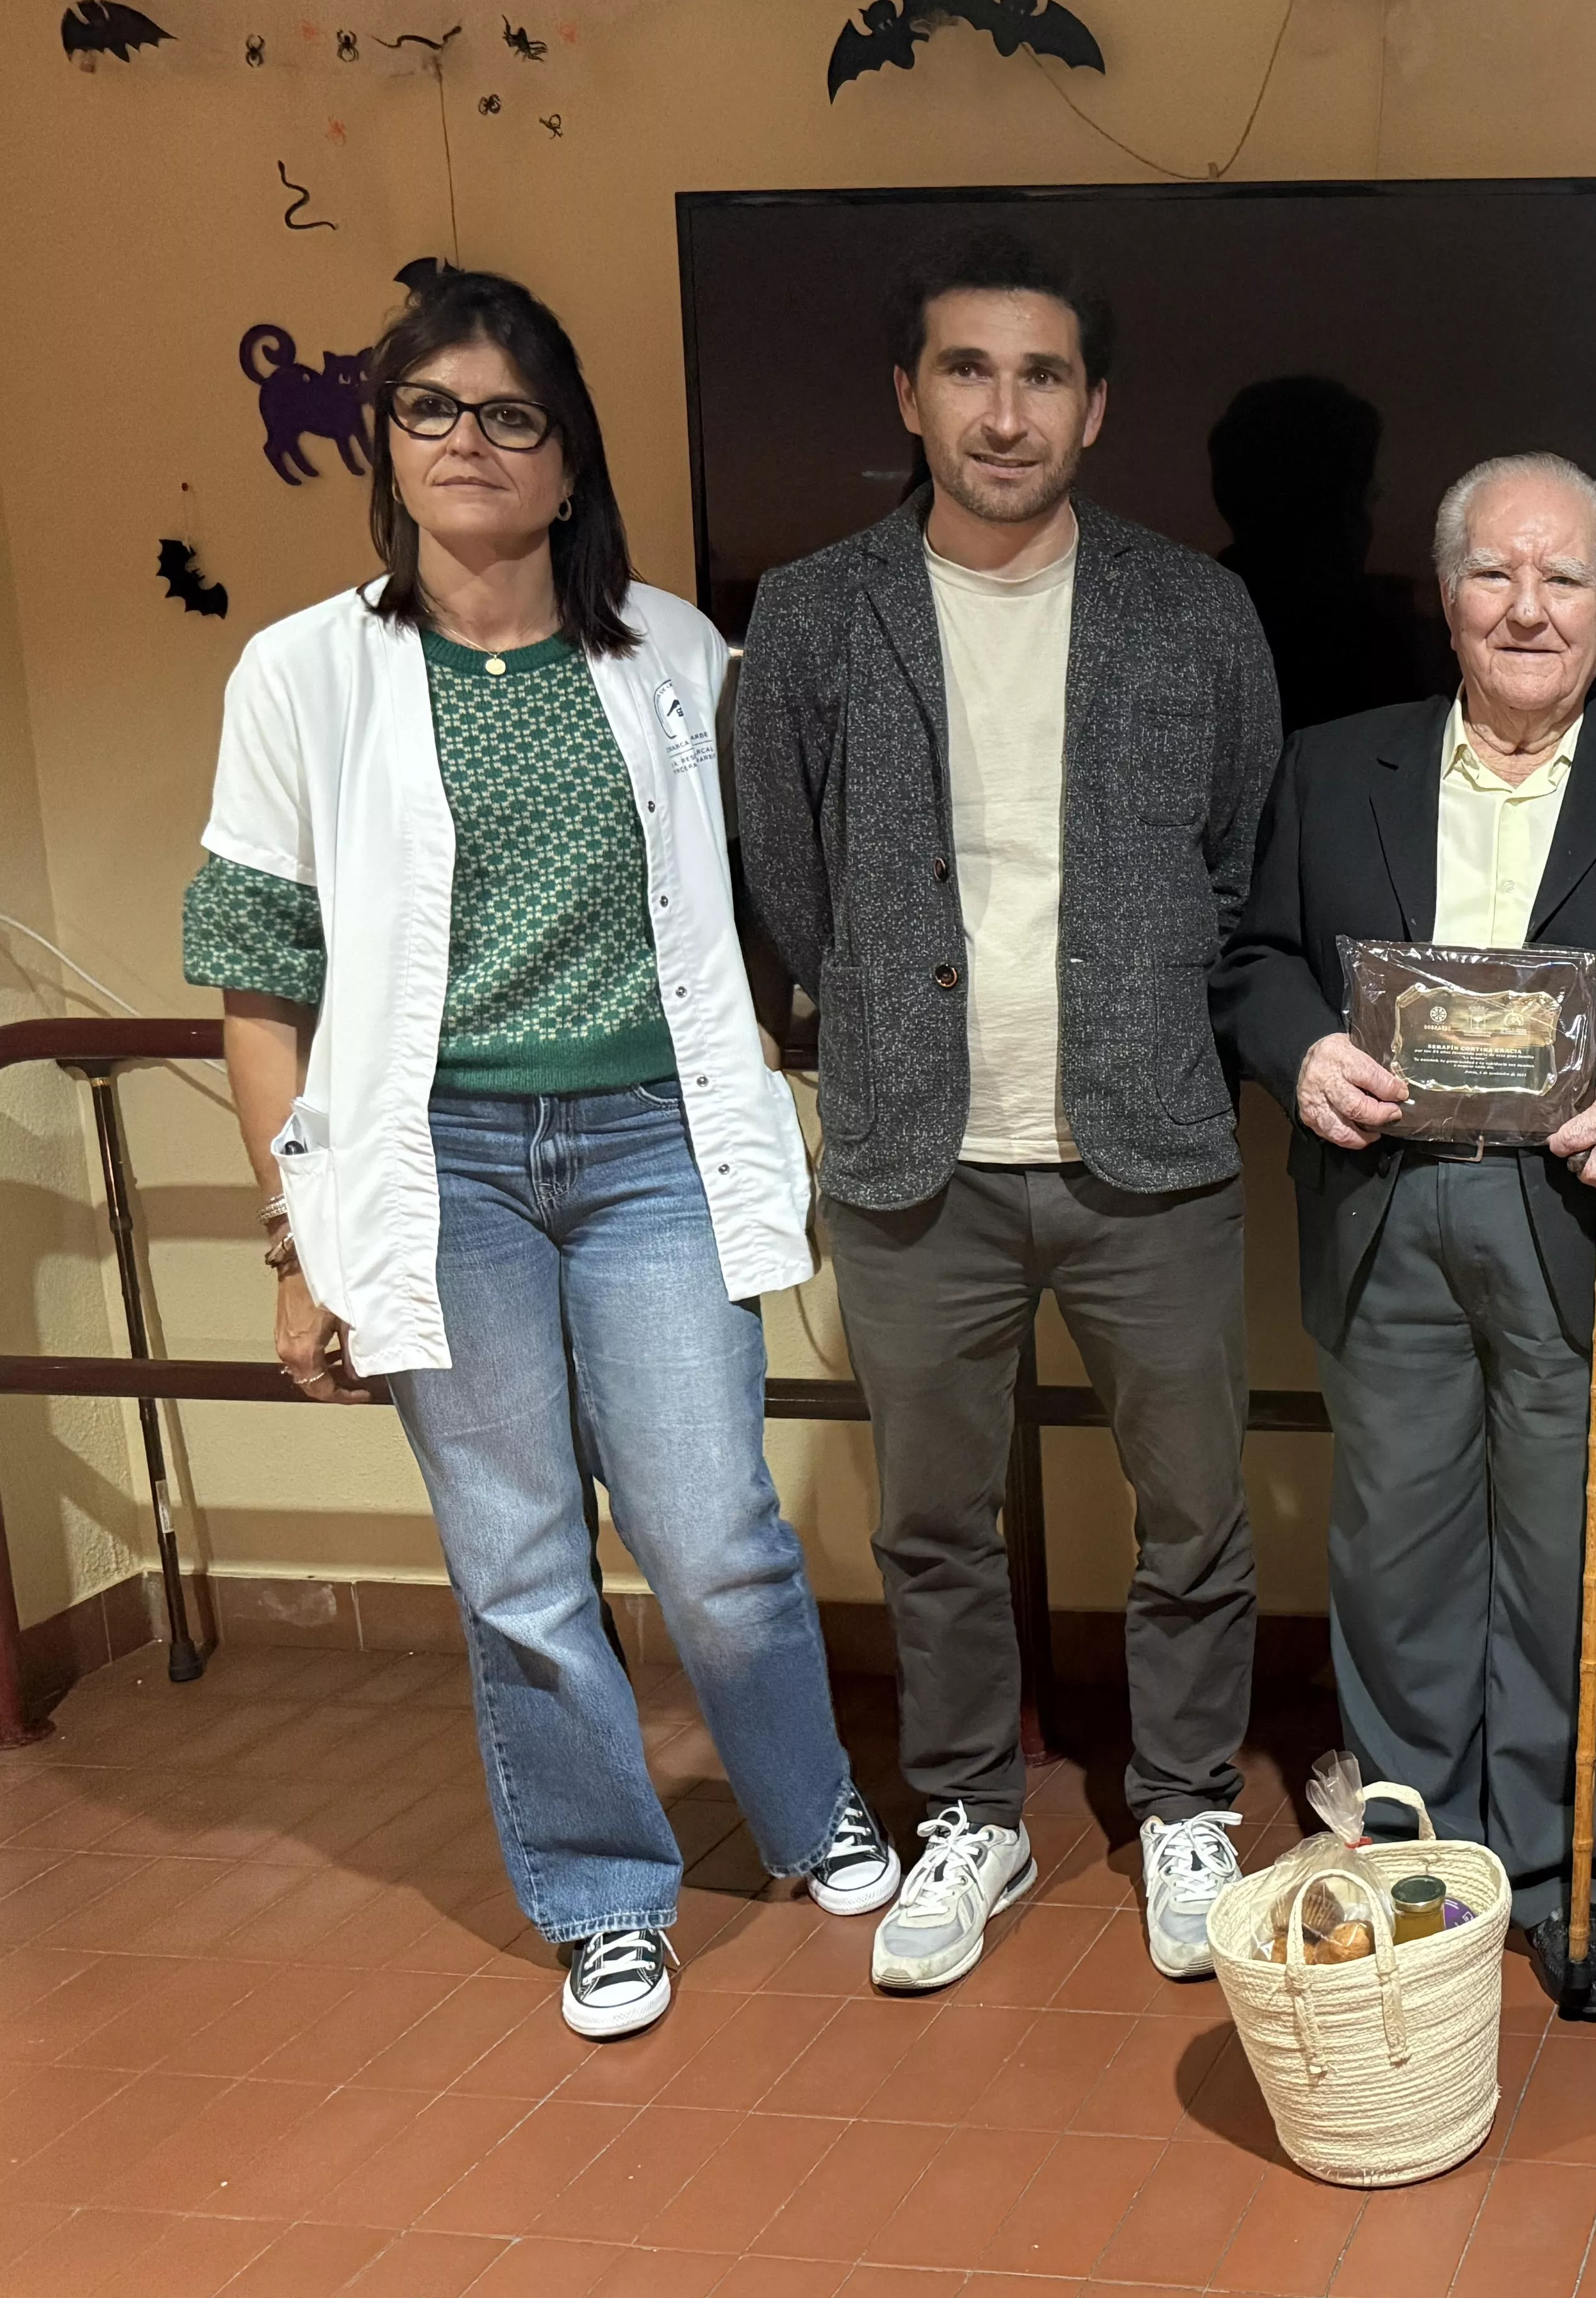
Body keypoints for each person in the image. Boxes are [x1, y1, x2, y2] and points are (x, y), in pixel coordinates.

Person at [182, 265, 894, 2040]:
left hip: (654, 1140)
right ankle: (602, 1891)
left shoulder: (674, 652)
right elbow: (257, 982)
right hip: (442, 1170)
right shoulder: (303, 673)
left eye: (512, 415)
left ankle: (809, 1809)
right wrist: (299, 1248)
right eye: (433, 411)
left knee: (716, 1529)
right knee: (515, 1557)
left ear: (569, 462)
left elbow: (773, 893)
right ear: (387, 446)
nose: (472, 444)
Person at [732, 231, 1284, 1994]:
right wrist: (896, 1015)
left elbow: (1239, 851)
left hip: (1151, 1145)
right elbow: (785, 879)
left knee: (1193, 1504)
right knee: (930, 1520)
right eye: (967, 370)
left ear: (1095, 407)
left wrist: (1138, 1011)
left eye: (1042, 374)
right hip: (917, 1146)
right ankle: (970, 1809)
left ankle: (1187, 1797)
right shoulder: (815, 613)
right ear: (910, 394)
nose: (1004, 407)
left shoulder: (1194, 609)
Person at [1215, 452, 1596, 2019]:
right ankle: (1418, 1866)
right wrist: (1301, 1047)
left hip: (1589, 1214)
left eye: (1565, 580)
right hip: (1387, 1202)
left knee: (1572, 1559)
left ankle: (1558, 1877)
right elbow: (1253, 954)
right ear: (1447, 599)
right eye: (1493, 573)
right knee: (1393, 1558)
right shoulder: (1335, 767)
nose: (1528, 607)